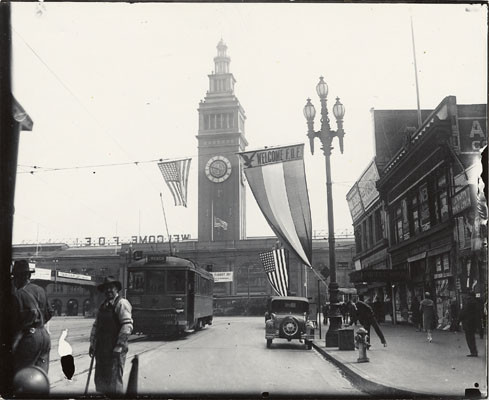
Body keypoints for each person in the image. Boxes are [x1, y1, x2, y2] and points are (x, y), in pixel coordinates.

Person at [89, 276, 133, 395]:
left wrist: (119, 345)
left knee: (114, 382)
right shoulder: (103, 305)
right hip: (102, 349)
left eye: (111, 288)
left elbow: (127, 326)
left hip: (115, 350)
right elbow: (96, 326)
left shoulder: (122, 303)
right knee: (100, 380)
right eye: (106, 288)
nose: (108, 290)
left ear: (117, 289)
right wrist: (92, 344)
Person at [11, 260, 53, 375]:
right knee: (40, 374)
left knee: (23, 375)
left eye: (15, 277)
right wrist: (39, 324)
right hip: (44, 336)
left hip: (29, 338)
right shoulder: (40, 290)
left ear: (17, 277)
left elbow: (14, 322)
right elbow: (50, 312)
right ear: (29, 275)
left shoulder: (17, 295)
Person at [459, 291, 482, 357]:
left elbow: (463, 312)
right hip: (474, 322)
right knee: (472, 337)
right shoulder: (477, 302)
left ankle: (473, 352)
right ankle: (474, 351)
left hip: (467, 322)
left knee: (469, 338)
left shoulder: (467, 302)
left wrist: (458, 320)